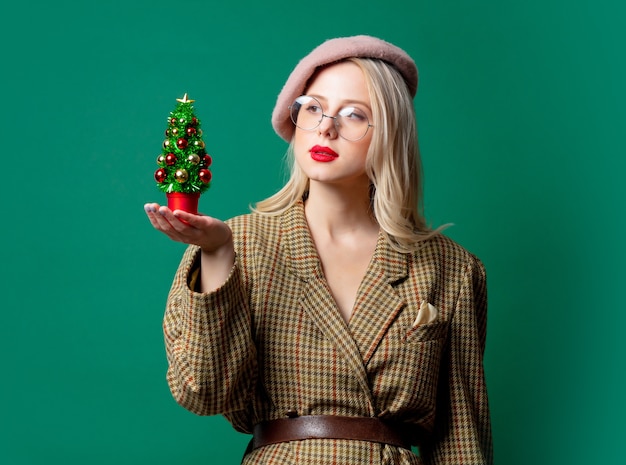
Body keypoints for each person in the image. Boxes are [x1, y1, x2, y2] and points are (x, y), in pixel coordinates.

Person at [145, 35, 492, 465]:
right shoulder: (238, 243)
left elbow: (461, 438)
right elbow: (204, 392)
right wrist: (217, 255)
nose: (326, 127)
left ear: (391, 134)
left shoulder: (451, 268)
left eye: (354, 114)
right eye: (312, 107)